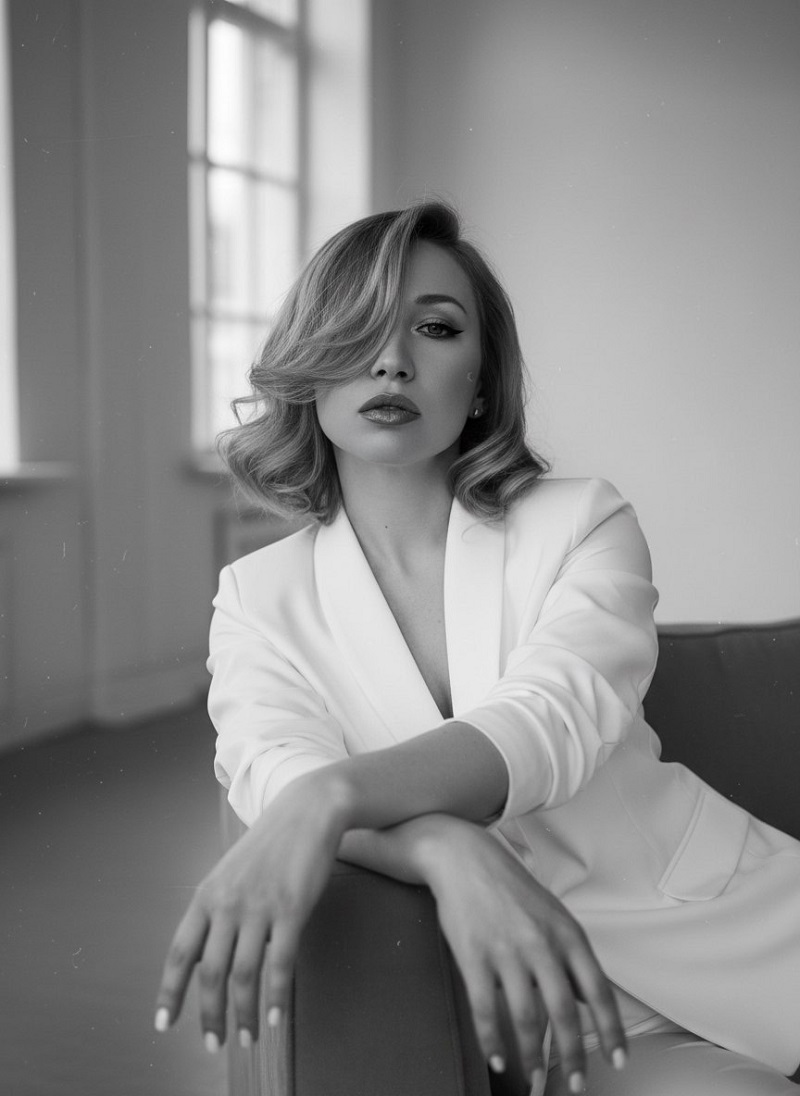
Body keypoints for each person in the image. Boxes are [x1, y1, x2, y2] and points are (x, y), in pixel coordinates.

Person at [155, 202, 800, 1095]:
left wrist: (331, 797)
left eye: (435, 328)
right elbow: (274, 769)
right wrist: (442, 850)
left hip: (743, 928)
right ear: (309, 368)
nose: (392, 360)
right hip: (571, 1025)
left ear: (484, 382)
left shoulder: (581, 521)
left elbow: (550, 720)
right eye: (359, 327)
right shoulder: (257, 599)